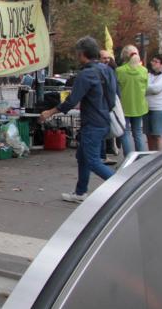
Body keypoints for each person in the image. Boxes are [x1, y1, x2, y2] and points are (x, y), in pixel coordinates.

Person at [40, 36, 117, 204]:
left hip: (92, 122)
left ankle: (123, 186)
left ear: (82, 54)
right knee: (83, 157)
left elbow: (71, 101)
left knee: (93, 161)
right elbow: (113, 95)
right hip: (104, 119)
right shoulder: (107, 70)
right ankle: (80, 191)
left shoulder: (86, 74)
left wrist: (50, 112)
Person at [115, 45, 148, 158]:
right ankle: (141, 158)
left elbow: (116, 89)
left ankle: (129, 159)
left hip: (123, 106)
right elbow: (146, 88)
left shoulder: (119, 71)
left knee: (125, 133)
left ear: (124, 56)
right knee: (138, 133)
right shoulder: (143, 70)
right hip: (139, 106)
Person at [145, 54, 162, 151]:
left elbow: (156, 89)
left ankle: (161, 156)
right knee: (148, 135)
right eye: (152, 61)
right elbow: (142, 87)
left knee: (157, 135)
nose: (152, 63)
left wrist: (146, 88)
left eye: (156, 61)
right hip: (146, 108)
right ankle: (151, 155)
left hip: (159, 108)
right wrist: (147, 88)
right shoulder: (149, 75)